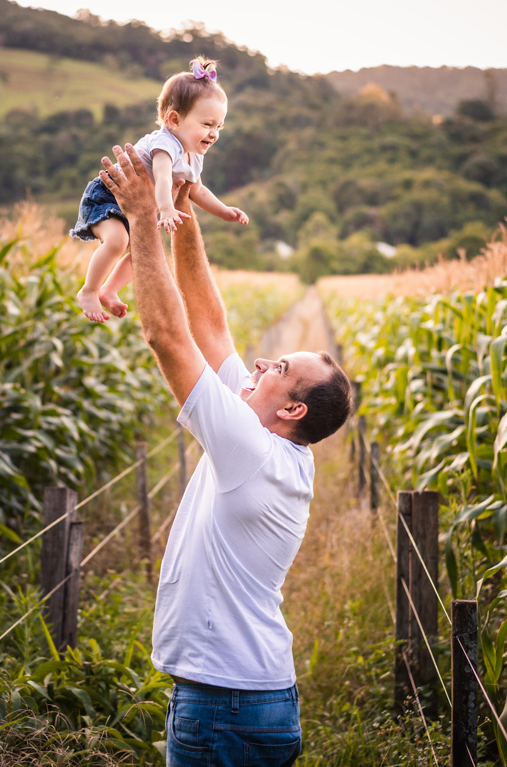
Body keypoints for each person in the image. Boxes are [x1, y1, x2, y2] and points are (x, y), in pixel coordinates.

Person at [97, 144, 353, 766]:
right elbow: (210, 325)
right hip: (256, 698)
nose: (262, 362)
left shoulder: (249, 449)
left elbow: (168, 336)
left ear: (291, 409)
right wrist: (179, 215)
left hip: (221, 706)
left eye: (280, 368)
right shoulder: (268, 436)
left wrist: (141, 223)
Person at [70, 56, 249, 323]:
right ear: (174, 120)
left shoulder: (193, 153)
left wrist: (223, 212)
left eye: (219, 126)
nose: (214, 134)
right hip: (109, 197)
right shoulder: (165, 144)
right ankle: (89, 290)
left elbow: (197, 190)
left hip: (137, 207)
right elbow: (163, 179)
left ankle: (109, 290)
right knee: (118, 242)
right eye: (207, 124)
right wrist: (166, 209)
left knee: (142, 253)